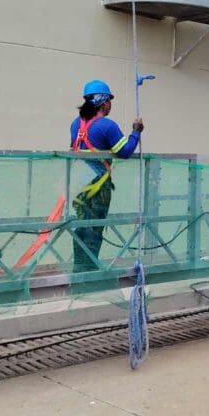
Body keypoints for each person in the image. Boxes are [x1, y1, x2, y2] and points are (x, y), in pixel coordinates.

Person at [69, 79, 144, 272]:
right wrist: (136, 132)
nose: (111, 104)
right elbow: (125, 151)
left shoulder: (76, 124)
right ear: (104, 103)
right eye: (110, 100)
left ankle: (79, 267)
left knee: (81, 225)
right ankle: (89, 270)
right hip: (98, 184)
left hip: (78, 182)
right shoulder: (106, 126)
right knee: (95, 227)